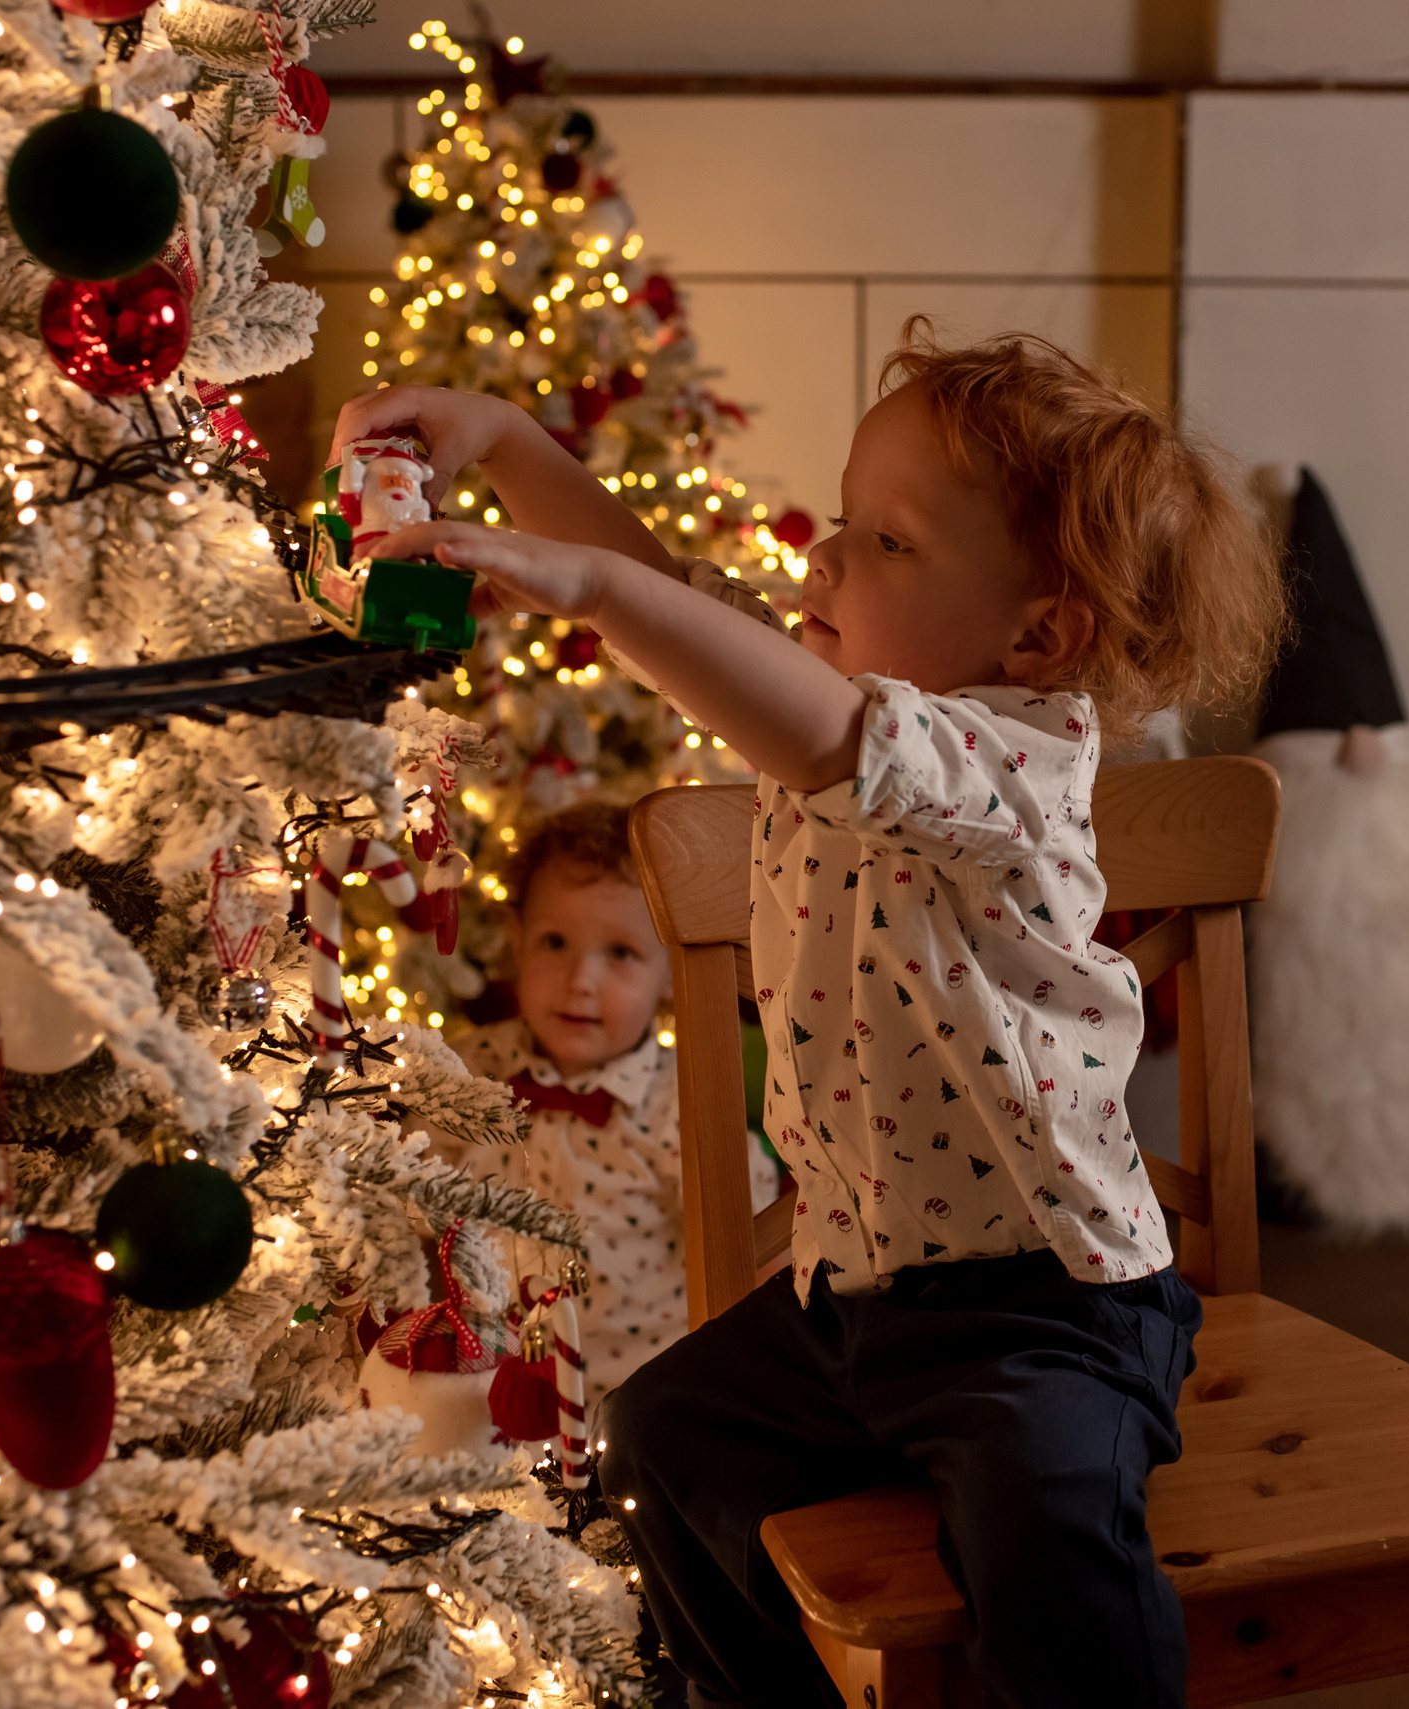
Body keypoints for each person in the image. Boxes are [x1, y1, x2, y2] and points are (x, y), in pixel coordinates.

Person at [333, 321, 1282, 1709]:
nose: (826, 560)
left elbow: (807, 721)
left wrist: (591, 590)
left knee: (1044, 1524)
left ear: (1042, 631)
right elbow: (683, 599)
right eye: (840, 522)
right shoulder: (831, 693)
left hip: (1051, 1310)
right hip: (854, 1301)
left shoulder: (1012, 762)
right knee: (660, 1436)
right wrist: (516, 444)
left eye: (885, 544)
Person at [451, 798, 782, 1392]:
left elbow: (749, 1251)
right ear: (516, 939)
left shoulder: (687, 1101)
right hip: (483, 1388)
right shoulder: (467, 1074)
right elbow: (407, 1203)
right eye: (555, 942)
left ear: (668, 975)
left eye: (621, 953)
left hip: (636, 1393)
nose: (581, 980)